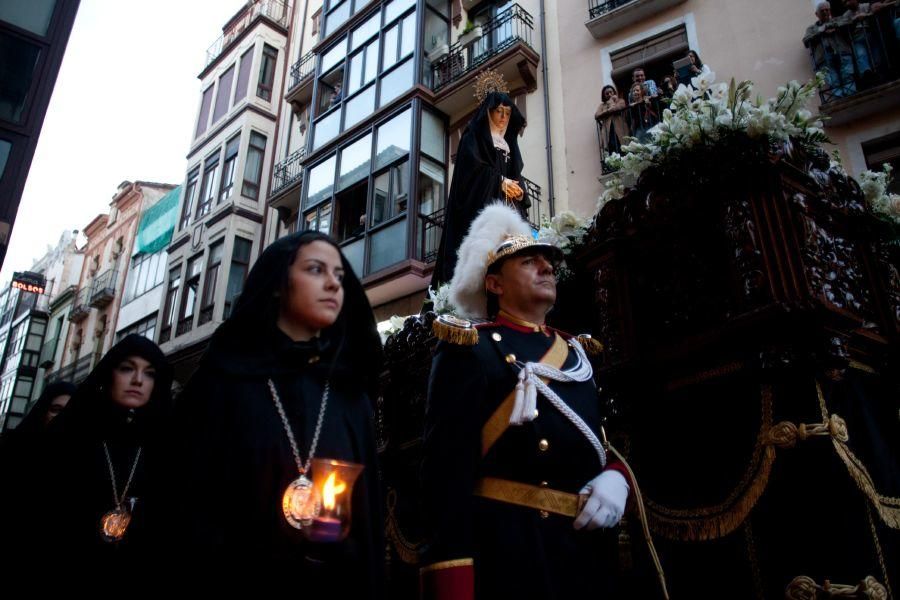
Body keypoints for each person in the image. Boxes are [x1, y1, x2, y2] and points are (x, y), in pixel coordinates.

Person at [420, 203, 631, 599]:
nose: (547, 268)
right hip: (515, 560)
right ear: (495, 284)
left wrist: (617, 477)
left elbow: (609, 440)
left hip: (587, 558)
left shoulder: (578, 354)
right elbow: (445, 479)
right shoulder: (469, 349)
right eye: (529, 261)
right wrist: (452, 582)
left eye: (548, 262)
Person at [164, 231, 385, 593]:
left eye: (340, 277)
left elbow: (368, 525)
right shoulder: (222, 384)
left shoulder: (349, 395)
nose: (332, 283)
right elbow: (185, 509)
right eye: (316, 270)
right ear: (278, 284)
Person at [17, 336, 173, 564]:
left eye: (149, 373)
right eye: (127, 369)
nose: (138, 380)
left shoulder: (163, 445)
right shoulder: (71, 434)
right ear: (110, 374)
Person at [430, 71, 530, 287]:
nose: (503, 117)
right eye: (498, 112)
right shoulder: (472, 138)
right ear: (488, 113)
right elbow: (470, 172)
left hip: (509, 208)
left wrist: (519, 189)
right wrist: (499, 182)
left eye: (507, 112)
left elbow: (516, 173)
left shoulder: (509, 144)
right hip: (482, 204)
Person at [804, 1, 856, 98]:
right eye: (822, 11)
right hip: (823, 57)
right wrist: (821, 31)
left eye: (827, 10)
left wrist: (832, 26)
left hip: (842, 51)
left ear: (830, 11)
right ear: (817, 14)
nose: (825, 12)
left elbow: (849, 22)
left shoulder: (838, 20)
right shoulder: (812, 28)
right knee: (833, 79)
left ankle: (850, 94)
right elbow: (806, 40)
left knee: (848, 74)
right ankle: (839, 98)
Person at [595, 85, 629, 166]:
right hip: (608, 131)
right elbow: (597, 115)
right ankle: (615, 165)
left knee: (623, 146)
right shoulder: (602, 105)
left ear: (614, 92)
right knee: (612, 147)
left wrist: (609, 107)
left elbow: (619, 107)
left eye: (611, 92)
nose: (609, 94)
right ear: (604, 95)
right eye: (607, 93)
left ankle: (625, 164)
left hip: (620, 129)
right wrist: (608, 109)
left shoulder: (620, 100)